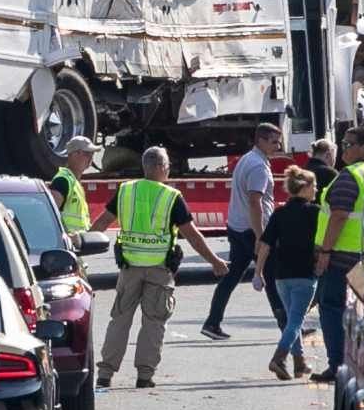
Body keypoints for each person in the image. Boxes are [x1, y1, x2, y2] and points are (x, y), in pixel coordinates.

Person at [91, 147, 227, 389]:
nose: (168, 171)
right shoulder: (171, 197)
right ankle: (144, 376)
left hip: (129, 268)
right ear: (161, 167)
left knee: (119, 320)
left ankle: (105, 373)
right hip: (159, 270)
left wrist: (80, 249)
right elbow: (193, 236)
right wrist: (215, 262)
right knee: (153, 323)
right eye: (167, 167)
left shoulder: (125, 191)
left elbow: (101, 222)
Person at [311, 127, 364, 384]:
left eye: (349, 144)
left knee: (333, 308)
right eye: (343, 144)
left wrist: (325, 251)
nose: (344, 149)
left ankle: (338, 365)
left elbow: (338, 215)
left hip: (341, 261)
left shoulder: (350, 176)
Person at [202, 123, 284, 340]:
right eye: (274, 141)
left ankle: (212, 322)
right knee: (272, 277)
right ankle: (288, 327)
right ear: (261, 141)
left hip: (238, 227)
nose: (279, 146)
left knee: (232, 276)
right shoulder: (258, 166)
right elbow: (255, 202)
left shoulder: (248, 159)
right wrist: (260, 236)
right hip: (252, 230)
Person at [256, 169, 321, 379]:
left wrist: (258, 272)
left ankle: (299, 363)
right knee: (295, 321)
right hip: (305, 273)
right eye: (314, 186)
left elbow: (265, 244)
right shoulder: (316, 212)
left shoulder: (279, 213)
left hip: (281, 275)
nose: (316, 189)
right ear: (304, 187)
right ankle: (279, 357)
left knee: (293, 319)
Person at [49, 136, 95, 234]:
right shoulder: (62, 181)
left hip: (79, 244)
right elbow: (50, 215)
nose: (91, 158)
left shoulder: (74, 181)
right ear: (73, 154)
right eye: (87, 153)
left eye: (92, 153)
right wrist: (68, 236)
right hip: (69, 245)